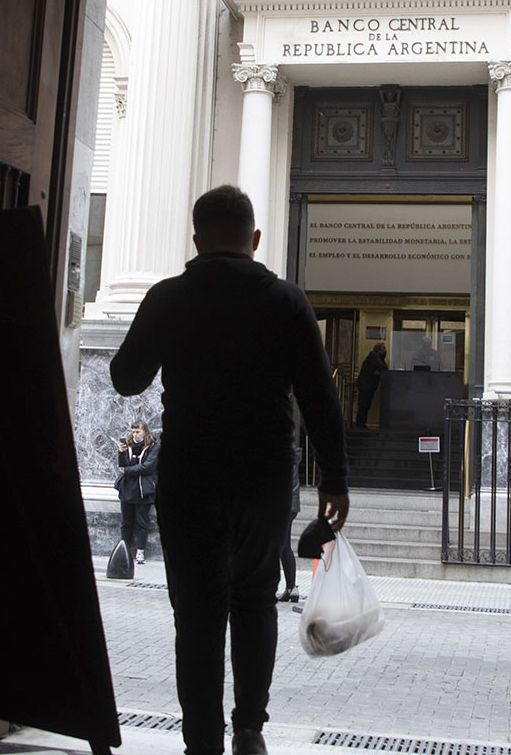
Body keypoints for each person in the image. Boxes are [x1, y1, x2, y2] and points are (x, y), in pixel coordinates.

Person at [110, 185, 349, 755]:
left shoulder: (169, 297)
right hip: (263, 478)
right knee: (254, 600)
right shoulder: (286, 300)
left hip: (190, 475)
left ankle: (201, 742)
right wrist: (335, 481)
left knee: (196, 614)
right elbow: (320, 399)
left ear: (196, 240)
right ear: (256, 239)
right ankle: (249, 729)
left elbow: (124, 378)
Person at [117, 419, 159, 564]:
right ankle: (124, 550)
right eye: (133, 432)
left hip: (143, 490)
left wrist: (128, 470)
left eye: (138, 431)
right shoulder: (128, 445)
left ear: (145, 431)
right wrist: (121, 453)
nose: (135, 434)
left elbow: (148, 467)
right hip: (127, 488)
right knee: (126, 522)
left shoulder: (153, 447)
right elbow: (122, 466)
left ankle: (140, 552)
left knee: (142, 522)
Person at [275, 444, 303, 602]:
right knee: (284, 545)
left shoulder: (281, 453)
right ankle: (291, 588)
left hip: (282, 505)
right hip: (290, 504)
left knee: (279, 546)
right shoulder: (290, 453)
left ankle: (281, 586)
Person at [354, 342, 388, 428]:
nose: (385, 351)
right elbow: (383, 367)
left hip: (367, 385)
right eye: (384, 349)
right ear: (379, 350)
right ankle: (360, 425)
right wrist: (378, 372)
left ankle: (361, 424)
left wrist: (378, 372)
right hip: (366, 386)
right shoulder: (374, 357)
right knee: (364, 406)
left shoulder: (375, 357)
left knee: (365, 406)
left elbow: (382, 368)